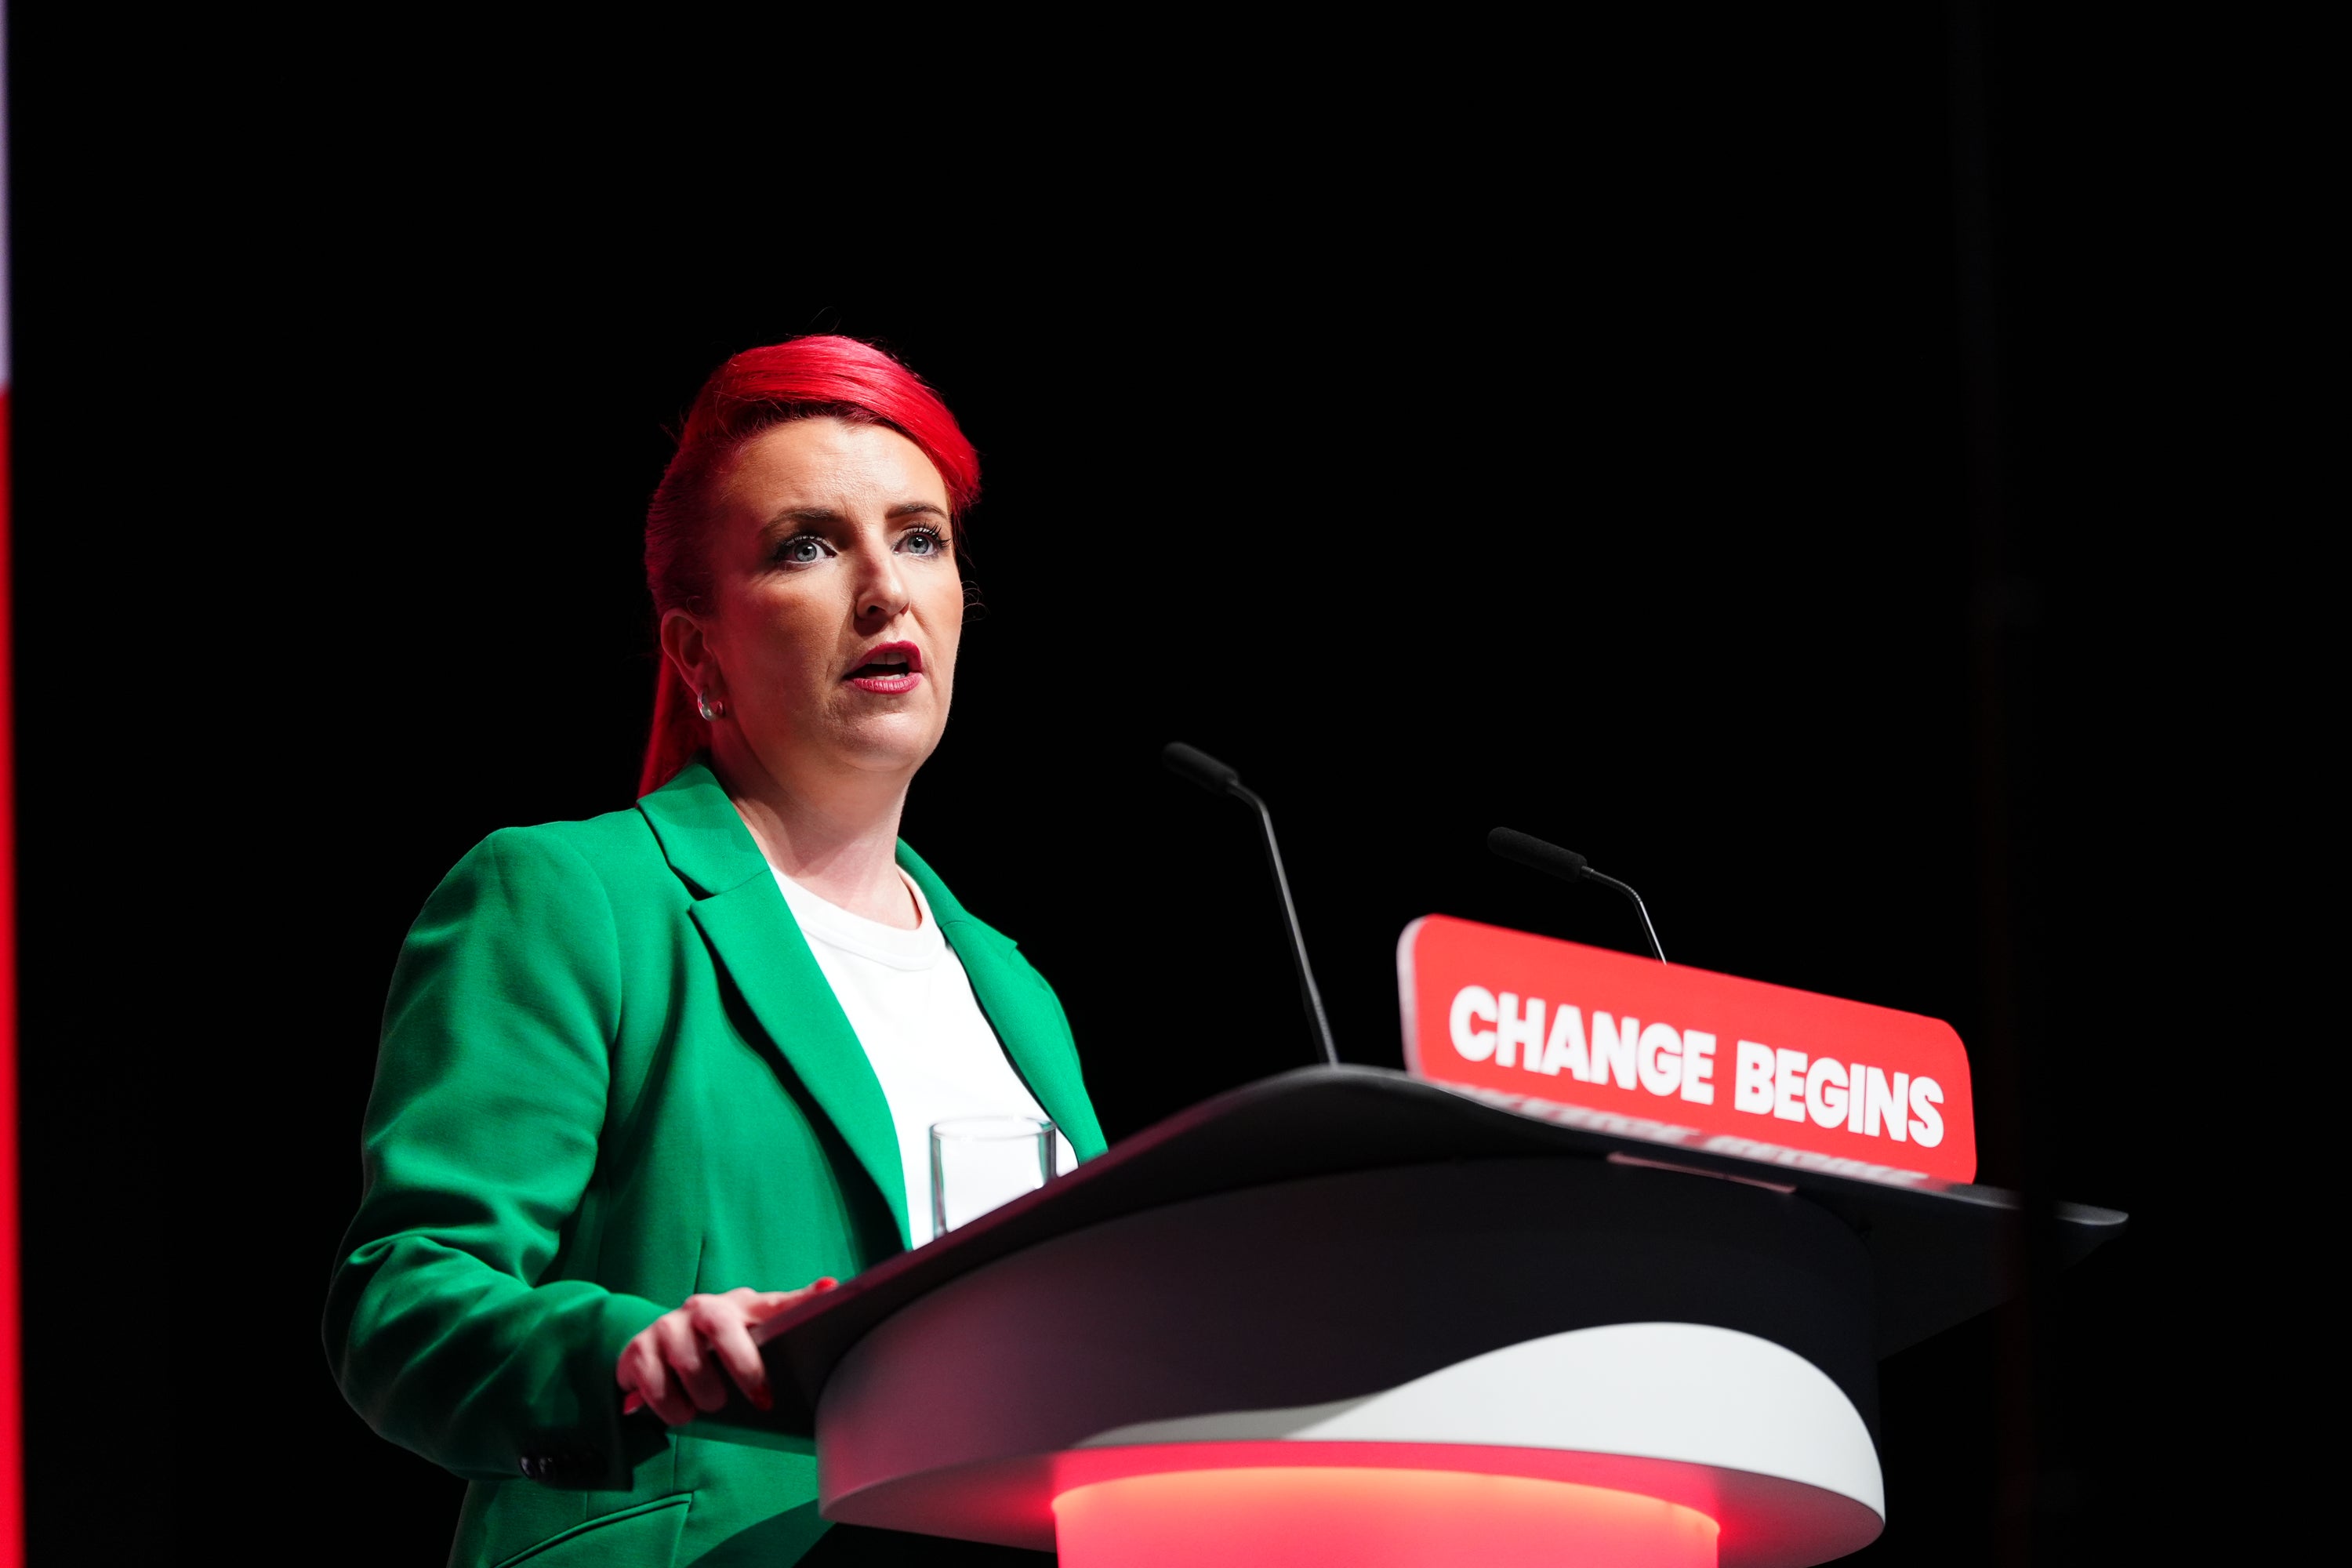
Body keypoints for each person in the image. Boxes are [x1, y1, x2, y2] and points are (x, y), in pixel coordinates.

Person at [323, 336, 1105, 1566]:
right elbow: (403, 1304)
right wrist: (631, 1352)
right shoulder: (573, 897)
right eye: (809, 545)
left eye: (919, 537)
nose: (886, 591)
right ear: (698, 655)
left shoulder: (1014, 991)